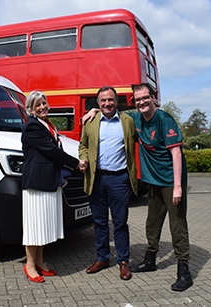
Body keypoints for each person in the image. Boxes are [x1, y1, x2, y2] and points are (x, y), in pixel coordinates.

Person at [129, 83, 192, 291]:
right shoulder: (136, 118)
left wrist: (177, 187)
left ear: (153, 97)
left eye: (145, 98)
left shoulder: (164, 120)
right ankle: (150, 260)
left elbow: (176, 153)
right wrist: (94, 109)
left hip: (171, 182)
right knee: (152, 223)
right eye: (138, 99)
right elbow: (116, 113)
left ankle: (184, 271)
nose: (142, 102)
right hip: (153, 183)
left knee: (177, 226)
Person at [22, 91, 86, 283]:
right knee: (34, 227)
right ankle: (30, 266)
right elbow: (52, 152)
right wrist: (76, 164)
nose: (42, 107)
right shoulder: (32, 127)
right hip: (36, 183)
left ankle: (40, 262)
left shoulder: (47, 125)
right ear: (31, 110)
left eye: (44, 103)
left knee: (42, 226)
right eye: (37, 105)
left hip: (48, 181)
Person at [78, 86, 138, 281]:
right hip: (97, 179)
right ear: (98, 103)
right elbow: (83, 145)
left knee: (120, 223)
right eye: (103, 101)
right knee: (100, 222)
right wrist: (84, 159)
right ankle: (102, 258)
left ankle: (123, 261)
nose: (107, 103)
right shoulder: (91, 121)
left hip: (119, 179)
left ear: (116, 101)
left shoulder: (128, 121)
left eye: (110, 100)